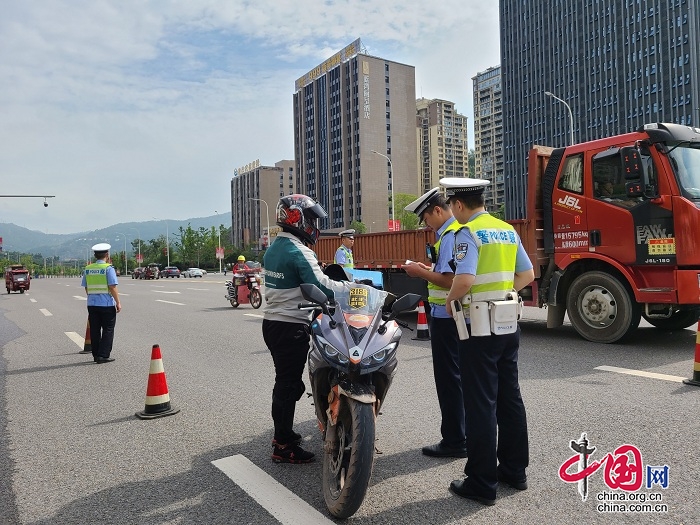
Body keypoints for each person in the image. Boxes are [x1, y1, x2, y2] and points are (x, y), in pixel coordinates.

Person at [440, 177, 535, 506]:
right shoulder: (507, 229)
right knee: (510, 398)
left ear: (459, 205)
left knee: (481, 404)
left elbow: (464, 280)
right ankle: (514, 470)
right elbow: (527, 275)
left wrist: (450, 302)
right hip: (508, 325)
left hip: (478, 328)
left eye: (452, 207)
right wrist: (503, 293)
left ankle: (481, 482)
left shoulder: (467, 233)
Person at [262, 194, 347, 463]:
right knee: (287, 386)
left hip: (275, 323)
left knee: (287, 384)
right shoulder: (297, 250)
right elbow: (324, 287)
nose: (314, 225)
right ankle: (282, 444)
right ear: (297, 218)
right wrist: (359, 290)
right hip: (290, 327)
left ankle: (285, 435)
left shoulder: (276, 247)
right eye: (311, 219)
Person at [402, 188, 467, 458]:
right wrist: (428, 269)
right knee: (458, 377)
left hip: (446, 315)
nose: (427, 225)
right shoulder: (450, 234)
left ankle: (455, 440)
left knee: (449, 379)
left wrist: (419, 273)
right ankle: (460, 436)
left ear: (438, 210)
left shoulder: (451, 235)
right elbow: (446, 272)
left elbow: (450, 280)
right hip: (453, 314)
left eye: (427, 219)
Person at [81, 243, 121, 363]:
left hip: (92, 304)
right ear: (107, 255)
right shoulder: (108, 268)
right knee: (108, 329)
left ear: (95, 255)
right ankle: (103, 355)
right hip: (107, 304)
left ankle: (96, 354)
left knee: (94, 329)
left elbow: (86, 287)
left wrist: (93, 297)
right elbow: (112, 287)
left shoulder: (88, 269)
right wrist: (118, 302)